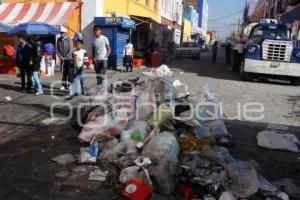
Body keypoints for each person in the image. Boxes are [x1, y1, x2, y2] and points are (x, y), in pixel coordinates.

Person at [57, 26, 73, 91]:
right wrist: (61, 57)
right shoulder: (58, 40)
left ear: (65, 33)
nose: (61, 34)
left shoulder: (69, 39)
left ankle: (69, 85)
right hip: (62, 59)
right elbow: (57, 49)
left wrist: (65, 57)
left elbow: (70, 49)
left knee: (69, 73)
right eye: (60, 33)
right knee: (63, 73)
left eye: (62, 33)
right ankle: (63, 85)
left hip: (68, 59)